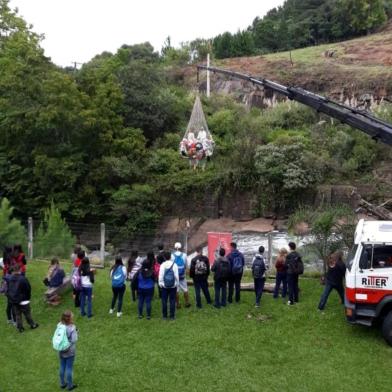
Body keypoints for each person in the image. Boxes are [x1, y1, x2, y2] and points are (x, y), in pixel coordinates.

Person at [7, 264, 39, 332]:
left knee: (18, 314)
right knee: (27, 313)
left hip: (14, 300)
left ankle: (20, 328)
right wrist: (27, 297)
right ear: (20, 270)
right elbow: (28, 289)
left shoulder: (10, 279)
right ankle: (32, 325)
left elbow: (9, 289)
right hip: (23, 300)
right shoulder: (23, 279)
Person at [57, 310, 78, 391]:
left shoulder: (59, 325)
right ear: (69, 319)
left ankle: (62, 383)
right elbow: (74, 340)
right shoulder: (72, 327)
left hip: (61, 349)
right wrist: (76, 332)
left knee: (62, 366)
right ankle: (70, 385)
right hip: (70, 351)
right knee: (69, 368)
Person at [159, 251, 179, 320]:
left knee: (164, 301)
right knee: (172, 301)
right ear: (170, 257)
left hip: (164, 286)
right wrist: (177, 284)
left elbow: (160, 276)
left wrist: (160, 283)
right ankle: (172, 316)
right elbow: (176, 276)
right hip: (173, 286)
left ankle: (164, 316)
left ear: (164, 257)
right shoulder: (174, 265)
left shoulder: (162, 265)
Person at [172, 242, 191, 308]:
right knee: (185, 289)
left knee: (176, 290)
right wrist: (187, 272)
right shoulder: (184, 255)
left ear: (175, 247)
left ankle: (177, 304)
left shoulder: (172, 255)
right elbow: (186, 265)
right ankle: (187, 302)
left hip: (175, 275)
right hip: (182, 275)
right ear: (181, 248)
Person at [137, 252, 155, 319]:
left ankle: (140, 315)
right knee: (148, 301)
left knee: (140, 301)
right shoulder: (152, 271)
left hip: (141, 287)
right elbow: (154, 279)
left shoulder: (139, 271)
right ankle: (148, 315)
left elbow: (137, 278)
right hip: (149, 288)